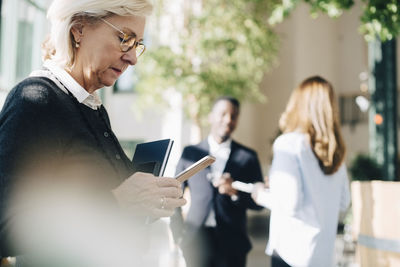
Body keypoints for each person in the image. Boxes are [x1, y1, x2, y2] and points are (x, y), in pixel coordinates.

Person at [0, 0, 186, 265]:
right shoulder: (36, 101)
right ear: (79, 29)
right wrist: (118, 201)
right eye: (125, 38)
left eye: (137, 45)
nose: (132, 58)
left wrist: (148, 201)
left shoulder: (92, 108)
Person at [251, 76, 351, 267]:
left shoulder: (288, 144)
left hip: (292, 254)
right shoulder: (335, 150)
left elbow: (290, 204)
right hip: (322, 255)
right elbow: (343, 202)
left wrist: (260, 193)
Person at [170, 96, 264, 267]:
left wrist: (235, 193)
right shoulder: (190, 153)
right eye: (223, 114)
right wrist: (178, 233)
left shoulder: (248, 157)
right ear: (211, 117)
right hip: (195, 239)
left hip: (233, 242)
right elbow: (175, 192)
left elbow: (259, 203)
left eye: (234, 116)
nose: (228, 120)